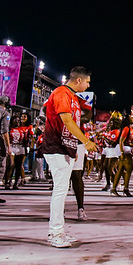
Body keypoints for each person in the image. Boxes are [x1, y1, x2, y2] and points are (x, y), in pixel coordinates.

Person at [41, 67, 99, 248]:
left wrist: (72, 150)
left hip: (65, 148)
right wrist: (85, 141)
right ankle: (55, 232)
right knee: (60, 189)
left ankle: (59, 230)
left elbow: (79, 119)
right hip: (55, 146)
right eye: (87, 82)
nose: (88, 85)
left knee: (63, 189)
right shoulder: (61, 93)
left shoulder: (73, 97)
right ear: (79, 80)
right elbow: (66, 120)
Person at [111, 114, 133, 197]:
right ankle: (125, 189)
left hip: (127, 149)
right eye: (131, 118)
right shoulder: (126, 128)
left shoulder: (131, 129)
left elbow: (129, 141)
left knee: (120, 170)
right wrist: (121, 153)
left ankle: (114, 188)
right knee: (129, 169)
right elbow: (121, 141)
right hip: (125, 150)